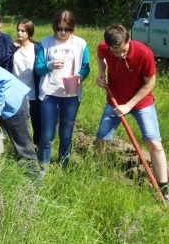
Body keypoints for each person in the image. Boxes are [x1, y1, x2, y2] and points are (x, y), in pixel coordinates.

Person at [95, 24, 169, 201]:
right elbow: (100, 54)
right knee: (101, 138)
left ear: (129, 40)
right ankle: (99, 173)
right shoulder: (105, 47)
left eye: (122, 50)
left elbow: (149, 84)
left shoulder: (144, 54)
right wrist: (101, 73)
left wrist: (129, 105)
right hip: (115, 100)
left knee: (154, 143)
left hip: (141, 103)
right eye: (115, 51)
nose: (119, 55)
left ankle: (164, 187)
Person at [34, 10, 90, 170]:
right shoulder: (46, 43)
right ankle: (43, 168)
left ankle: (63, 167)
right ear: (54, 27)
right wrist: (49, 66)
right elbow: (38, 69)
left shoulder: (80, 44)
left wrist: (79, 76)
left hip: (71, 95)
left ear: (72, 28)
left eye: (67, 29)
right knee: (47, 135)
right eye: (60, 28)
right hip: (49, 94)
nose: (63, 32)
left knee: (66, 134)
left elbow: (86, 67)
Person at [9, 19, 41, 147]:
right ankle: (24, 150)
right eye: (18, 30)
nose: (19, 33)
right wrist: (11, 47)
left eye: (23, 31)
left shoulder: (37, 48)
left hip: (33, 92)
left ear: (29, 32)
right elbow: (3, 61)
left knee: (37, 123)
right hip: (16, 93)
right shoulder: (13, 48)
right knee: (21, 125)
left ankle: (37, 148)